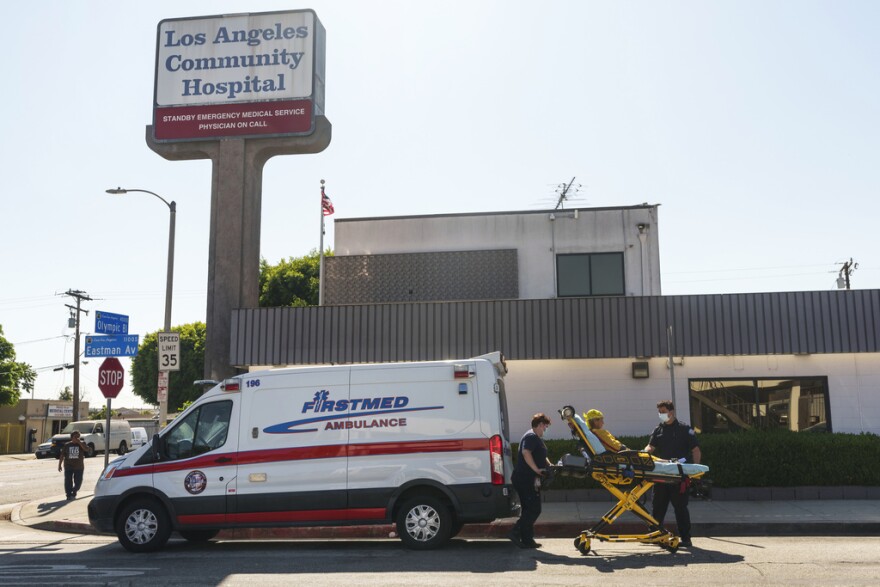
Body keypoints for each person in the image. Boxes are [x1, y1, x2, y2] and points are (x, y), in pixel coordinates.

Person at [644, 400, 701, 548]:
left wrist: (696, 472)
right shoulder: (658, 430)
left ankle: (686, 538)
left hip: (679, 476)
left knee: (680, 507)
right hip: (662, 474)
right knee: (657, 507)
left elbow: (696, 450)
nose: (661, 415)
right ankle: (654, 535)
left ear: (672, 411)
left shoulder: (684, 429)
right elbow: (651, 446)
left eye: (663, 411)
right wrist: (644, 453)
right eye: (660, 412)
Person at [509, 412, 553, 549]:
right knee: (534, 509)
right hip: (525, 478)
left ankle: (527, 540)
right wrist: (536, 469)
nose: (545, 430)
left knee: (529, 509)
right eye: (545, 427)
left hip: (526, 478)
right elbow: (526, 453)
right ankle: (515, 532)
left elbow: (540, 454)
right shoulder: (531, 437)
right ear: (539, 425)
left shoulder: (534, 437)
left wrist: (549, 465)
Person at [58, 430, 86, 501]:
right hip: (68, 466)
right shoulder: (67, 445)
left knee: (78, 482)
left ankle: (74, 491)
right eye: (75, 437)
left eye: (78, 437)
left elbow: (86, 449)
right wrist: (59, 465)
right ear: (72, 437)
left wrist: (79, 443)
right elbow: (62, 455)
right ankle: (68, 494)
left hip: (79, 466)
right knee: (68, 481)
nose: (77, 438)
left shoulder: (82, 443)